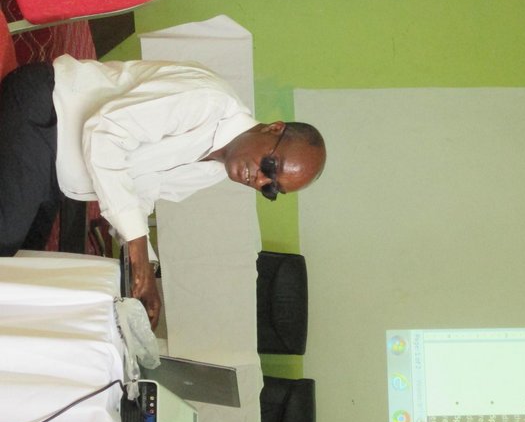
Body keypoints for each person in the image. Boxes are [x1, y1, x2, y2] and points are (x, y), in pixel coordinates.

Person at [0, 55, 326, 328]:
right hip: (46, 112)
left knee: (24, 270)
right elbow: (105, 133)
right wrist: (137, 247)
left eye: (272, 189)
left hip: (56, 174)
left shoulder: (213, 169)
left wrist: (147, 274)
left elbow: (140, 191)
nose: (261, 181)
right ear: (274, 128)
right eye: (271, 167)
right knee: (4, 245)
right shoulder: (207, 102)